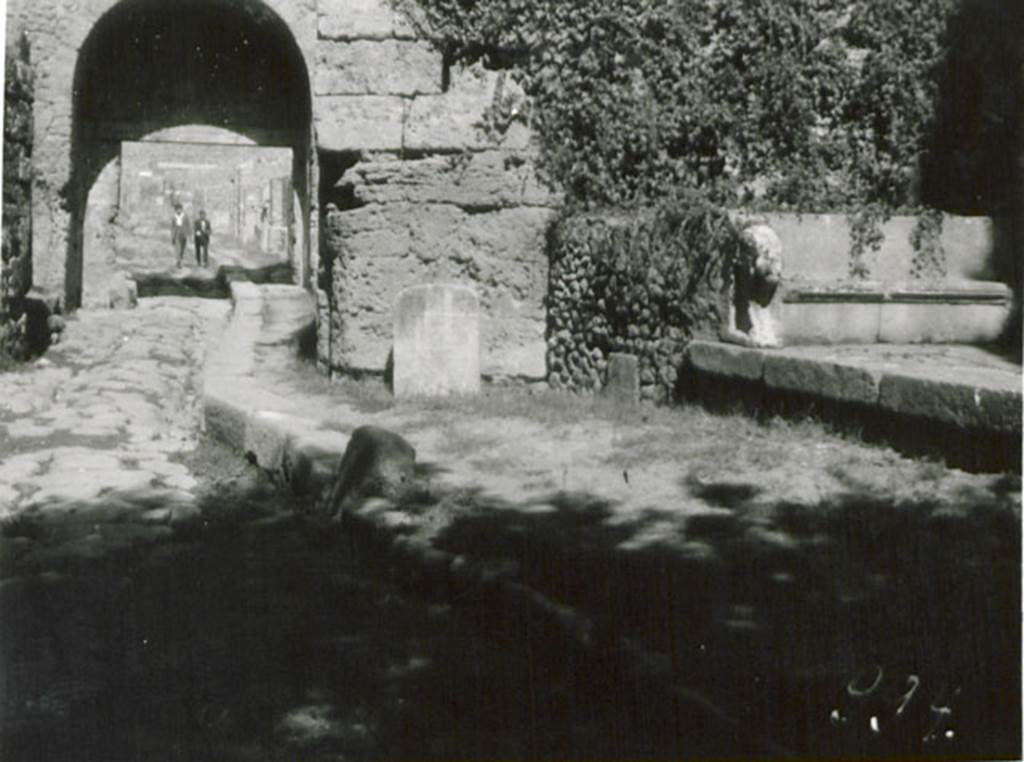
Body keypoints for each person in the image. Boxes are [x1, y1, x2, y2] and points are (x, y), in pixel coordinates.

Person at [170, 204, 192, 268]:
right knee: (178, 248)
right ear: (175, 210)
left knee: (182, 248)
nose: (178, 210)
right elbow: (172, 227)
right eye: (177, 209)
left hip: (184, 234)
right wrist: (172, 237)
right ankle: (178, 261)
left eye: (179, 208)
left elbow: (188, 226)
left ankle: (181, 259)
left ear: (181, 209)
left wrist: (190, 235)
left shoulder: (185, 216)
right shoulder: (174, 217)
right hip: (177, 234)